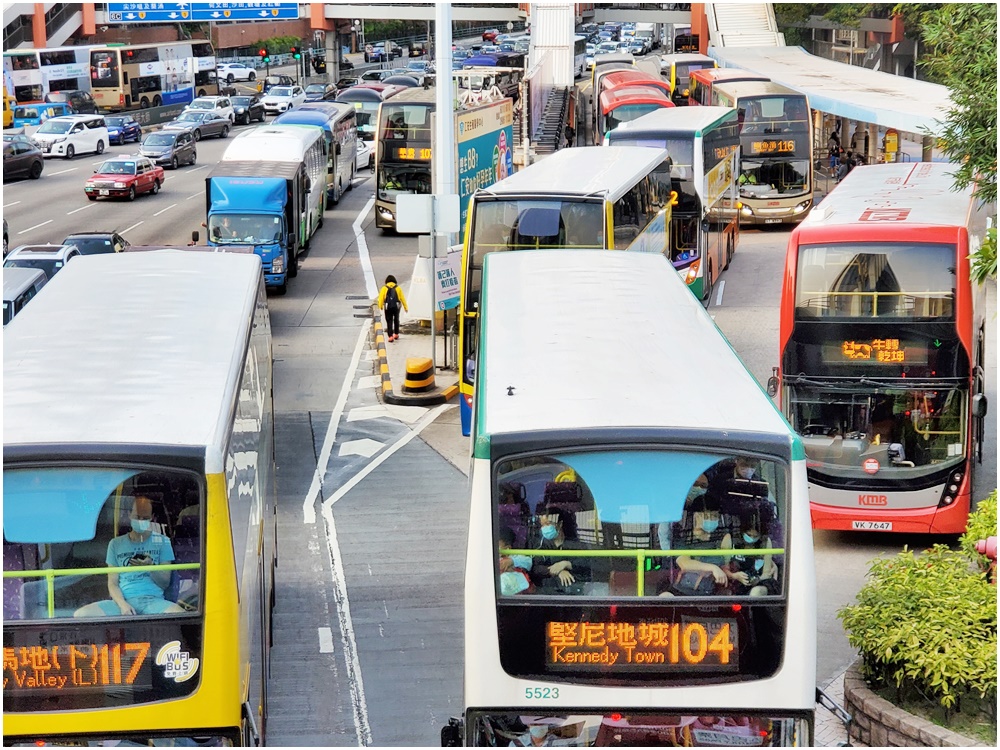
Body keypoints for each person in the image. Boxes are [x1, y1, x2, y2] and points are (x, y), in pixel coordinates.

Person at [74, 496, 184, 617]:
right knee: (81, 614)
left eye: (145, 518)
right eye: (138, 517)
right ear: (129, 515)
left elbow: (165, 583)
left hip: (154, 601)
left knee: (180, 614)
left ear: (152, 518)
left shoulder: (163, 542)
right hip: (122, 602)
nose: (141, 521)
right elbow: (113, 583)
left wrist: (150, 566)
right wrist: (123, 605)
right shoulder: (115, 544)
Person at [668, 491, 736, 596]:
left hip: (713, 591)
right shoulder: (683, 538)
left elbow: (725, 567)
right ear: (696, 516)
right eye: (708, 516)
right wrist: (713, 568)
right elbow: (684, 563)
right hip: (683, 590)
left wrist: (733, 575)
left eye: (715, 516)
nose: (712, 520)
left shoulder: (722, 538)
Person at [530, 505, 591, 591]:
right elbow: (535, 568)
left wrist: (566, 564)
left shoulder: (575, 545)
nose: (544, 528)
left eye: (548, 524)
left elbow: (587, 565)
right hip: (547, 591)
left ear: (560, 524)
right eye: (542, 525)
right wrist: (557, 571)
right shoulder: (540, 544)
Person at [721, 509, 779, 596]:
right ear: (742, 531)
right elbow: (724, 568)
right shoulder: (730, 539)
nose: (752, 538)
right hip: (734, 583)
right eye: (748, 535)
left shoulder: (765, 542)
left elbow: (767, 573)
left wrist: (756, 580)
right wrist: (734, 576)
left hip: (758, 584)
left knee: (757, 592)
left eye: (756, 536)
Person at [498, 526, 534, 595]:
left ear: (508, 548)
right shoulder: (490, 558)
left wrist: (512, 561)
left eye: (498, 545)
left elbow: (528, 562)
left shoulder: (515, 556)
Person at [378, 274, 409, 343]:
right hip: (396, 307)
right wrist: (405, 307)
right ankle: (396, 334)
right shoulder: (398, 288)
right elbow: (402, 298)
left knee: (389, 320)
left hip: (387, 307)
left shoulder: (384, 288)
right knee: (396, 319)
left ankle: (390, 336)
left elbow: (381, 298)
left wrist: (380, 306)